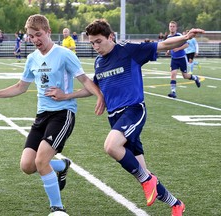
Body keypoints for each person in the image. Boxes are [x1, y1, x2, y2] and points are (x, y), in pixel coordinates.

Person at [45, 19, 205, 216]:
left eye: (98, 41)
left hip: (133, 110)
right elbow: (94, 88)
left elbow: (163, 45)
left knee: (111, 146)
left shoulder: (128, 50)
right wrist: (66, 95)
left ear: (110, 37)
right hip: (115, 118)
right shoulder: (99, 61)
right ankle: (176, 203)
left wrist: (187, 37)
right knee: (142, 173)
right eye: (92, 43)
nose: (95, 47)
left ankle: (149, 181)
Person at [0, 14, 104, 215]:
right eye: (31, 36)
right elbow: (21, 87)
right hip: (41, 116)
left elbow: (85, 81)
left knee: (41, 161)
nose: (35, 40)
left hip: (62, 114)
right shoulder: (32, 58)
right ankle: (61, 165)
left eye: (38, 35)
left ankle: (57, 208)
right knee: (27, 166)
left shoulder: (64, 54)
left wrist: (98, 96)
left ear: (48, 32)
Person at [166, 21, 201, 98]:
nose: (171, 28)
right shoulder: (168, 37)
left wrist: (178, 48)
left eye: (173, 26)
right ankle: (173, 92)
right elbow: (169, 46)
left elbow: (187, 44)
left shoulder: (179, 35)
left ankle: (195, 78)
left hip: (181, 58)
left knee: (185, 76)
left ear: (176, 27)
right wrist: (168, 51)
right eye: (170, 26)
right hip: (174, 59)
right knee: (173, 74)